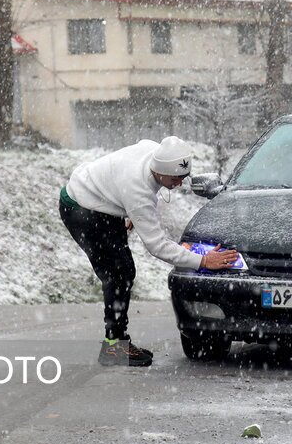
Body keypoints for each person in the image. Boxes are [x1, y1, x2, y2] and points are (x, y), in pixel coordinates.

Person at [59, 136, 238, 367]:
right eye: (175, 179)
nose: (179, 184)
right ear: (161, 172)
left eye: (183, 177)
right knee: (119, 273)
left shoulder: (154, 151)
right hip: (81, 208)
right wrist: (203, 261)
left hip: (100, 198)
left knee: (122, 270)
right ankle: (114, 347)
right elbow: (156, 246)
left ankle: (116, 343)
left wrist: (133, 211)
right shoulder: (137, 191)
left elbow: (142, 157)